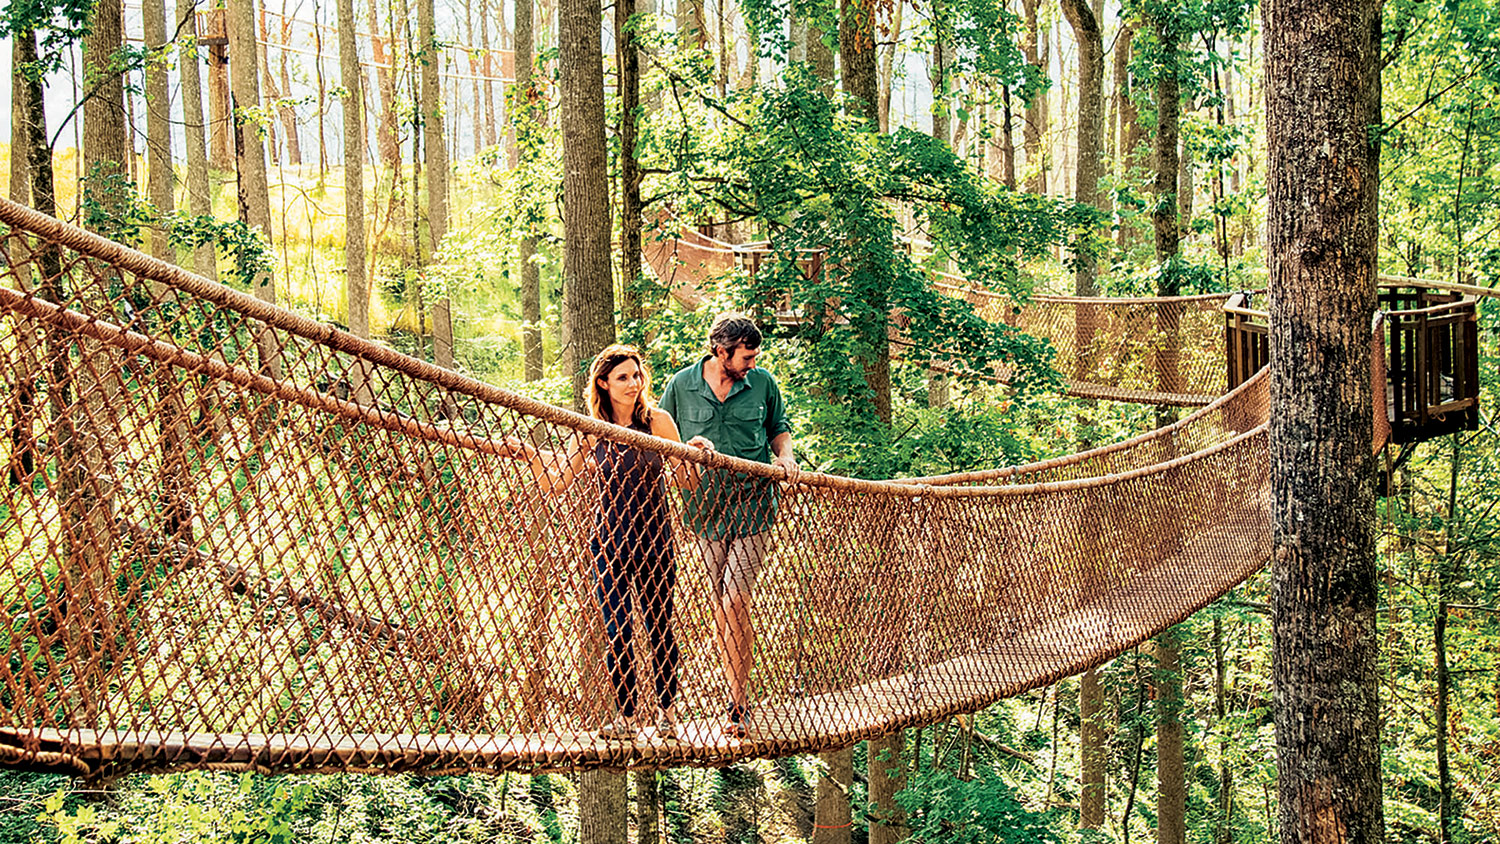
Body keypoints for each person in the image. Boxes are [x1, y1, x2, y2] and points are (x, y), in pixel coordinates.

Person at [505, 344, 709, 740]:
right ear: (603, 384)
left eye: (636, 375)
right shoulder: (592, 430)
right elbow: (556, 482)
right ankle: (628, 719)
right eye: (623, 378)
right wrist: (531, 457)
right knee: (618, 631)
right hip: (610, 541)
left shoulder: (658, 422)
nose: (633, 384)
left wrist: (695, 453)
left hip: (655, 539)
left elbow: (687, 482)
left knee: (659, 626)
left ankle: (667, 714)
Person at [658, 313, 798, 738]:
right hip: (702, 508)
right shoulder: (681, 385)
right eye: (746, 356)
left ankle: (739, 701)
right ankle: (731, 688)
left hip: (754, 502)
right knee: (719, 603)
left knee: (736, 597)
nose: (753, 362)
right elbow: (662, 435)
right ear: (722, 352)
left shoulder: (763, 384)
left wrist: (786, 456)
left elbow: (779, 430)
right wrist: (685, 449)